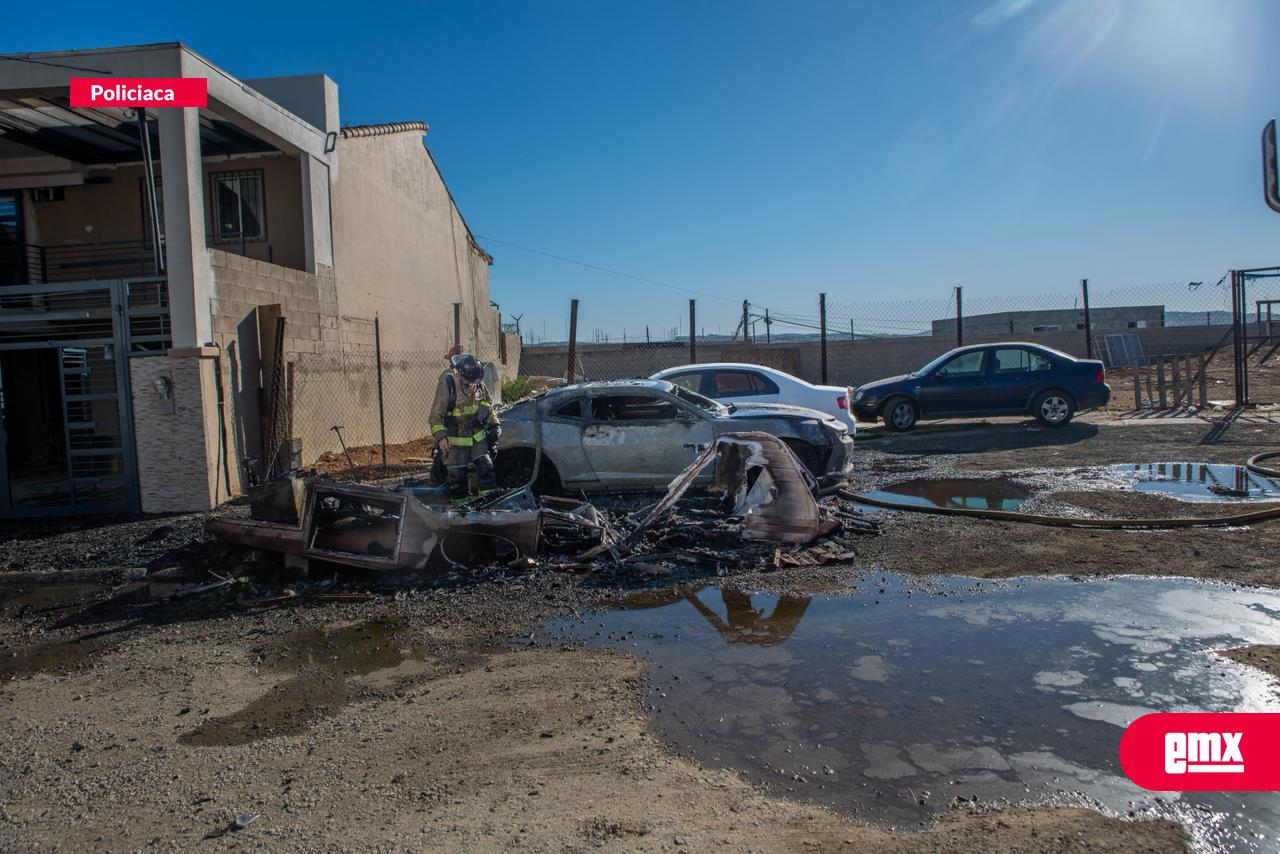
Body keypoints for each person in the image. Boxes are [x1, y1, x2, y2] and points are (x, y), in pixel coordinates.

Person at [429, 352, 501, 502]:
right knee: (457, 477)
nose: (471, 384)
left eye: (474, 381)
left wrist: (494, 425)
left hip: (476, 437)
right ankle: (460, 510)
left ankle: (489, 503)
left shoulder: (478, 383)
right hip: (455, 440)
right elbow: (435, 415)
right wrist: (441, 438)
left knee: (486, 467)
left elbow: (487, 405)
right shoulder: (448, 383)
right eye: (468, 381)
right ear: (461, 374)